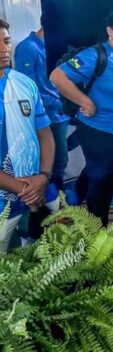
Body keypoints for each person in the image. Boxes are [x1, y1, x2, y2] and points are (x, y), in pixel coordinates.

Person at [51, 11, 113, 225]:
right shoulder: (95, 55)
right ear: (110, 31)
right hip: (100, 130)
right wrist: (85, 101)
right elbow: (57, 76)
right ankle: (96, 236)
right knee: (102, 182)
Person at [0, 18, 59, 251]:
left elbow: (45, 134)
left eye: (6, 41)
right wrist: (25, 190)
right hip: (9, 197)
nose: (4, 49)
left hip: (39, 188)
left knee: (57, 247)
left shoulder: (24, 84)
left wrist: (43, 177)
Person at [15, 25, 68, 191]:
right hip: (47, 115)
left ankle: (58, 200)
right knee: (54, 161)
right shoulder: (28, 48)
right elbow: (27, 90)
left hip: (62, 113)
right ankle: (53, 204)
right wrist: (58, 104)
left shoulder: (54, 47)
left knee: (61, 160)